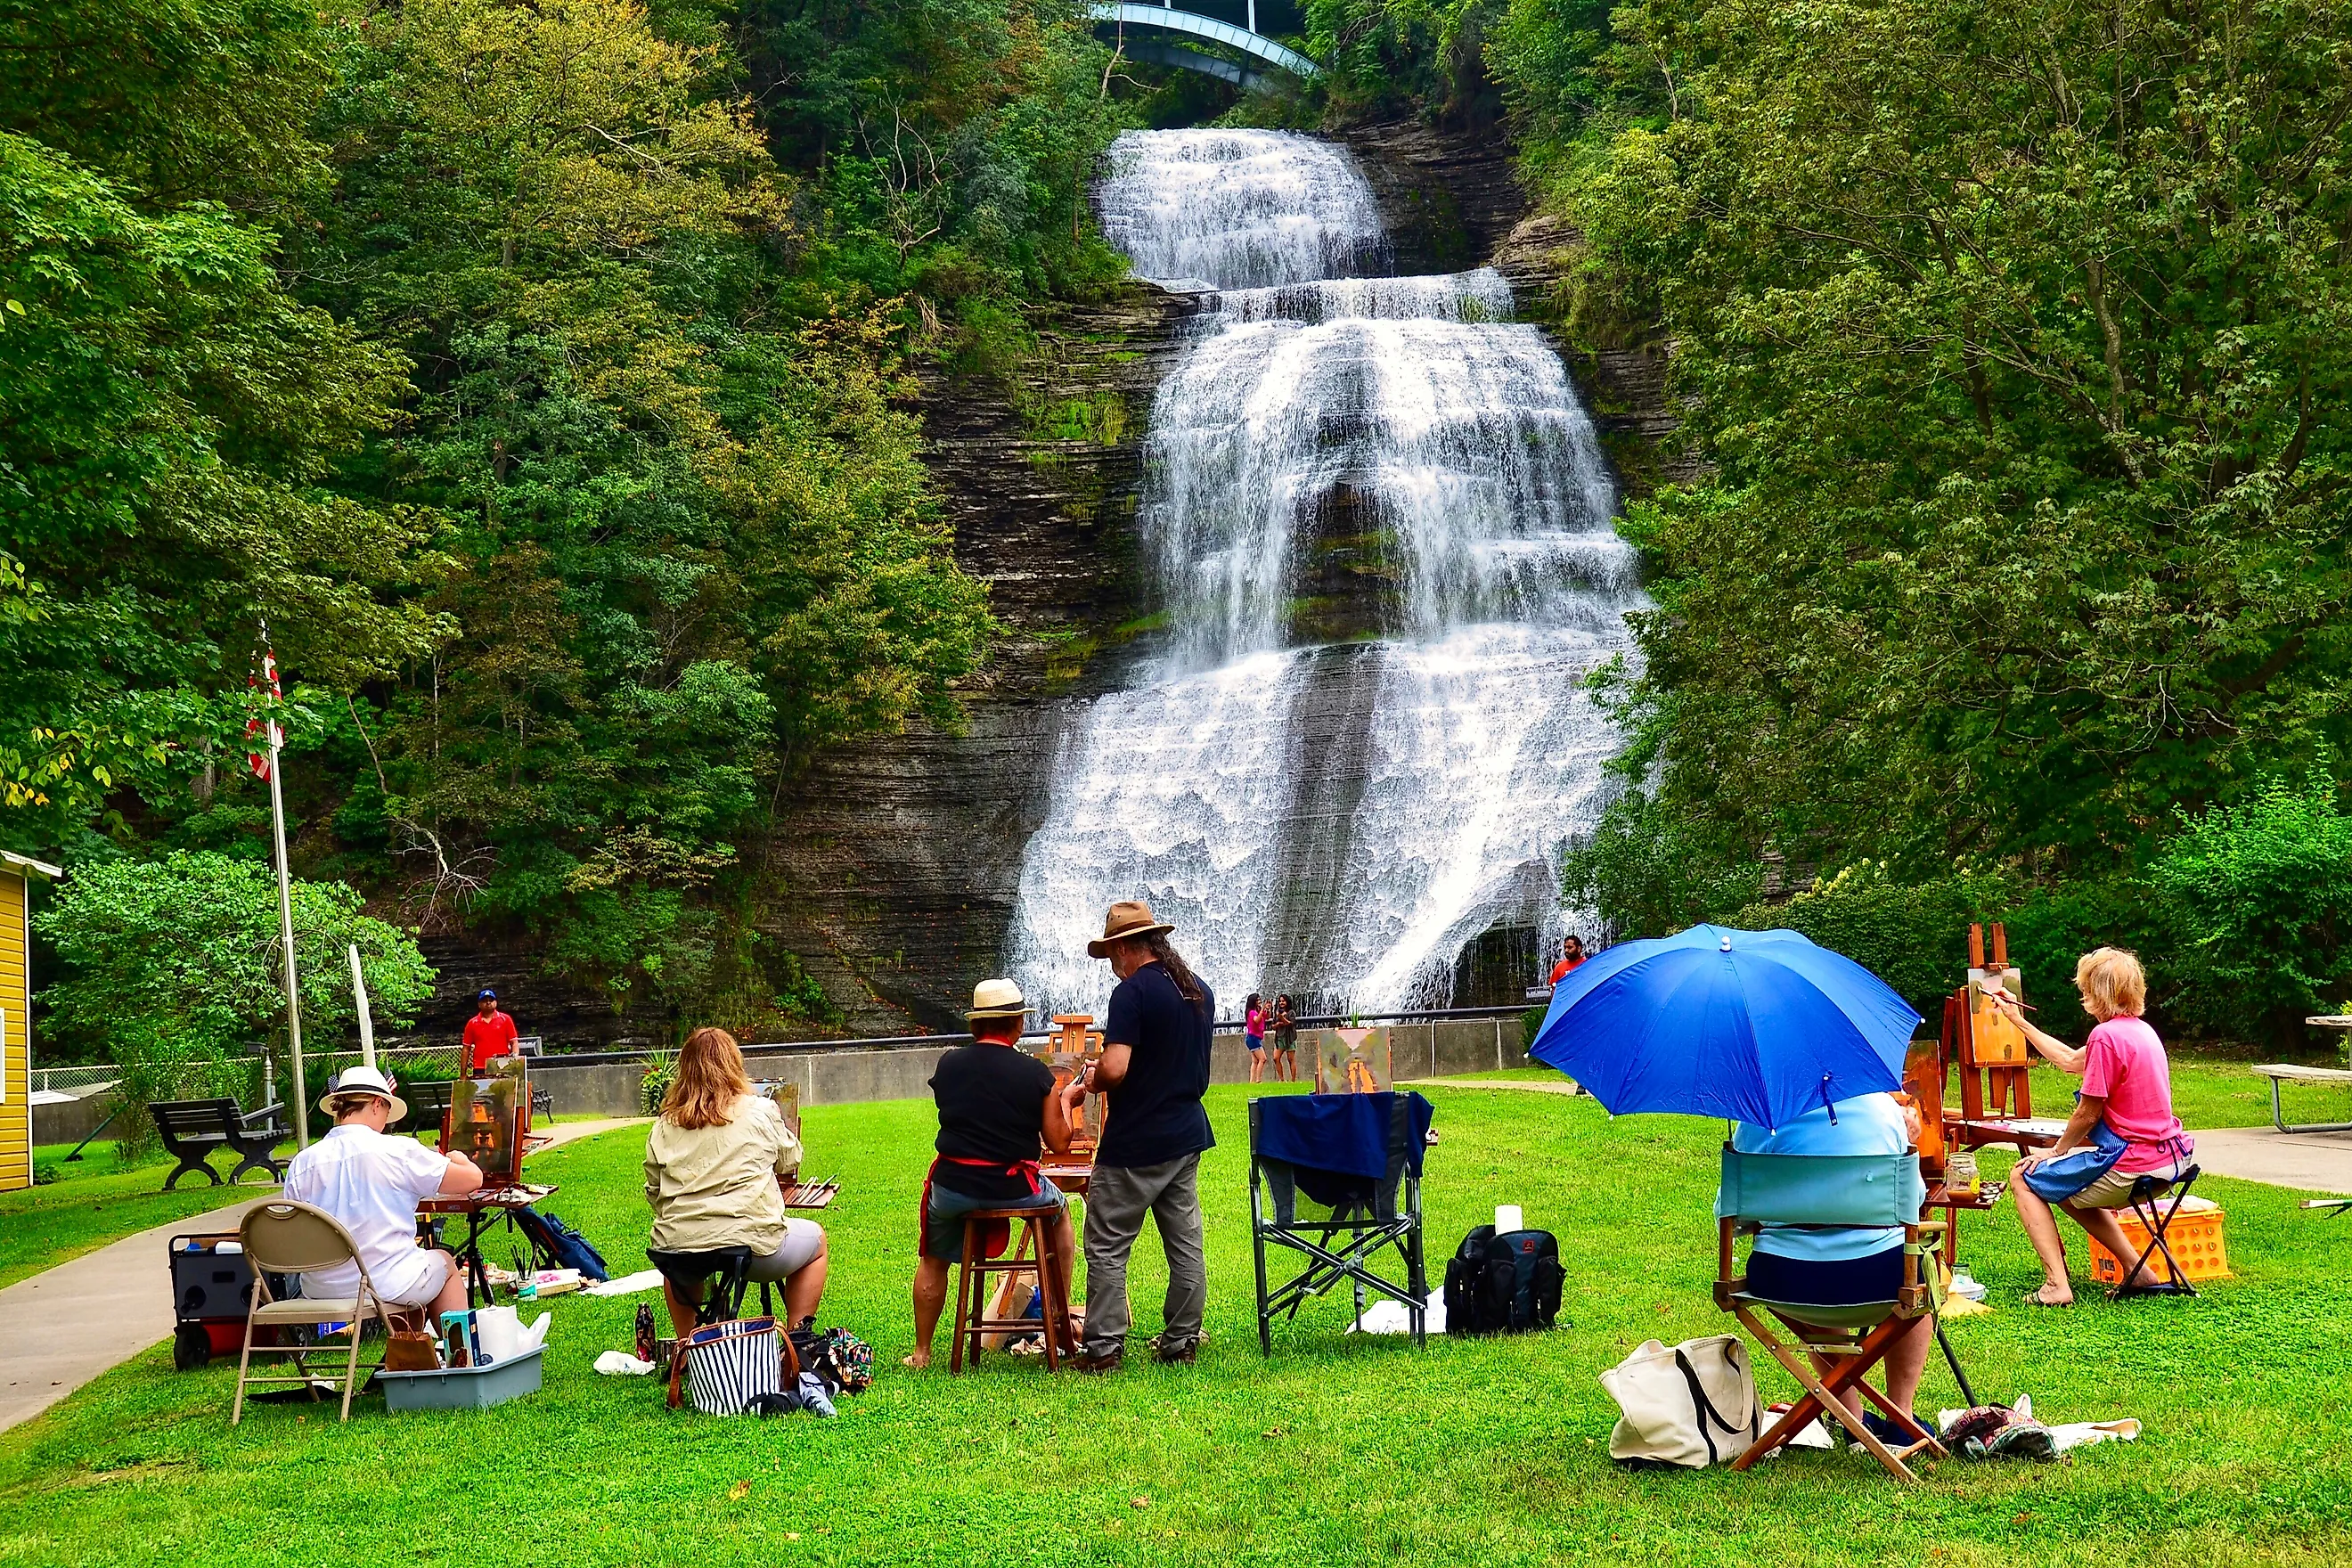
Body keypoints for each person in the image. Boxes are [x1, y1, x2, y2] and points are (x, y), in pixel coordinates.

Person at [1724, 1090, 1933, 1447]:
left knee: (1814, 1271)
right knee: (1921, 1279)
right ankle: (1901, 1417)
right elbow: (1912, 1202)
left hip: (1784, 1280)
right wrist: (1905, 1138)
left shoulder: (1758, 1117)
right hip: (1877, 1277)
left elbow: (1733, 1215)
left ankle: (1850, 1419)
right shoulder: (1882, 1111)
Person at [1990, 948, 2194, 1305]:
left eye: (2085, 987)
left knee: (2023, 1176)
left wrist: (2055, 1151)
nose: (2082, 993)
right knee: (2062, 1183)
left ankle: (2056, 1285)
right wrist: (2016, 1019)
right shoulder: (2141, 1032)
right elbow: (2069, 1060)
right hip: (2172, 1158)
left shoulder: (2106, 1037)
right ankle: (2140, 1273)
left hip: (2132, 1165)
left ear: (2096, 992)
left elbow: (2088, 1113)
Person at [908, 978, 1088, 1368]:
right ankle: (1058, 1318)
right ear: (1017, 1025)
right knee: (1061, 1211)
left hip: (953, 1184)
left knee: (932, 1258)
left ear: (977, 1025)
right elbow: (1058, 1142)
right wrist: (1067, 1100)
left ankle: (922, 1352)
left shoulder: (949, 1064)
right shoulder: (1033, 1073)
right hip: (1012, 1186)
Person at [1076, 899, 1215, 1371]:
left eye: (1112, 953)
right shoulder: (1199, 990)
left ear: (1125, 948)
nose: (1112, 965)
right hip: (1185, 1134)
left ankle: (1104, 1348)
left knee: (1108, 1241)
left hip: (1136, 1139)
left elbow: (1116, 1067)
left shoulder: (1131, 994)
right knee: (1184, 1243)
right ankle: (1181, 1341)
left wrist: (1093, 1079)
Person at [644, 1026, 829, 1335]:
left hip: (681, 1249)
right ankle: (798, 1339)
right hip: (754, 1248)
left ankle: (690, 1345)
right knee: (817, 1241)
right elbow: (789, 1161)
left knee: (677, 1268)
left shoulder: (665, 1124)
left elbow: (655, 1191)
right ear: (734, 1064)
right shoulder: (759, 1109)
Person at [282, 1066, 479, 1323]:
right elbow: (472, 1180)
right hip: (386, 1282)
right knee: (441, 1262)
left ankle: (409, 1351)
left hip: (320, 1286)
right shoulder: (396, 1150)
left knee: (409, 1271)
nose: (387, 1121)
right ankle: (458, 1350)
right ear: (376, 1104)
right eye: (387, 1110)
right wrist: (460, 1159)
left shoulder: (302, 1162)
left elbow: (293, 1229)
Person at [463, 988, 519, 1072]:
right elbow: (466, 1048)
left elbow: (514, 1042)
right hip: (480, 1067)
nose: (488, 1003)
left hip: (502, 1065)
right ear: (479, 1004)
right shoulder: (472, 1023)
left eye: (491, 1000)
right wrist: (463, 1073)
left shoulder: (506, 1019)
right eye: (484, 1000)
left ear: (496, 1003)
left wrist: (514, 1059)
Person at [1271, 993, 1299, 1082]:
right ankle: (1281, 1079)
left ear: (1287, 1002)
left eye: (1283, 1001)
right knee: (1276, 1058)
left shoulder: (1291, 1012)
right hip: (1280, 1038)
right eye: (1280, 1001)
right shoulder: (1277, 1013)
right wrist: (1278, 1024)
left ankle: (1293, 1080)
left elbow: (1291, 1024)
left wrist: (1282, 1019)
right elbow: (1272, 1026)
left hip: (1289, 1038)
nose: (1281, 1003)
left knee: (1290, 1059)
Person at [1245, 992, 1268, 1084]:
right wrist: (1262, 1009)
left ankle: (1252, 1081)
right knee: (1263, 1059)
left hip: (1253, 1038)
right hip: (1253, 1038)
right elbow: (1256, 1020)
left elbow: (1266, 1016)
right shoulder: (1251, 1012)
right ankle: (1258, 1080)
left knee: (1255, 1061)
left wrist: (1267, 1009)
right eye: (1257, 1000)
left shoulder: (1256, 1011)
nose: (1259, 1001)